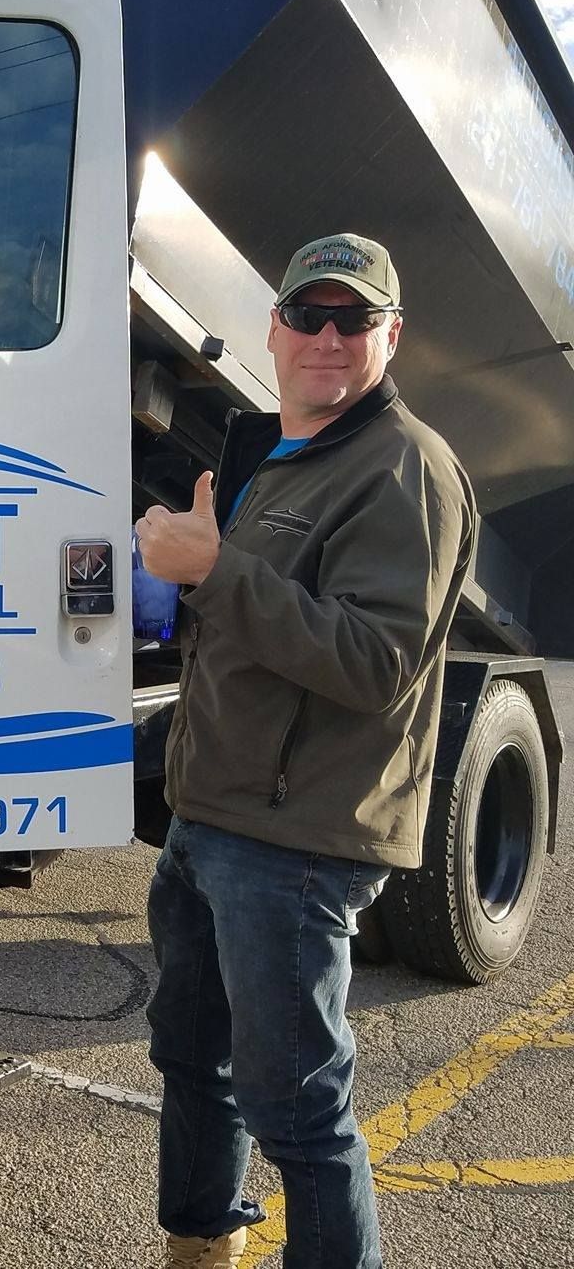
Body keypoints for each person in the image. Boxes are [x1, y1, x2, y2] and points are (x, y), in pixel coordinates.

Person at [134, 233, 475, 1269]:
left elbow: (375, 661)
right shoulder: (285, 455)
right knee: (193, 1058)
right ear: (274, 331)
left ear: (391, 337)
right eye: (310, 316)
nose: (329, 338)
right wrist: (176, 591)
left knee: (297, 1112)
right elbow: (255, 629)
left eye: (354, 320)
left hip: (294, 841)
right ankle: (201, 1246)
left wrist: (214, 571)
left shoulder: (406, 467)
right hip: (213, 817)